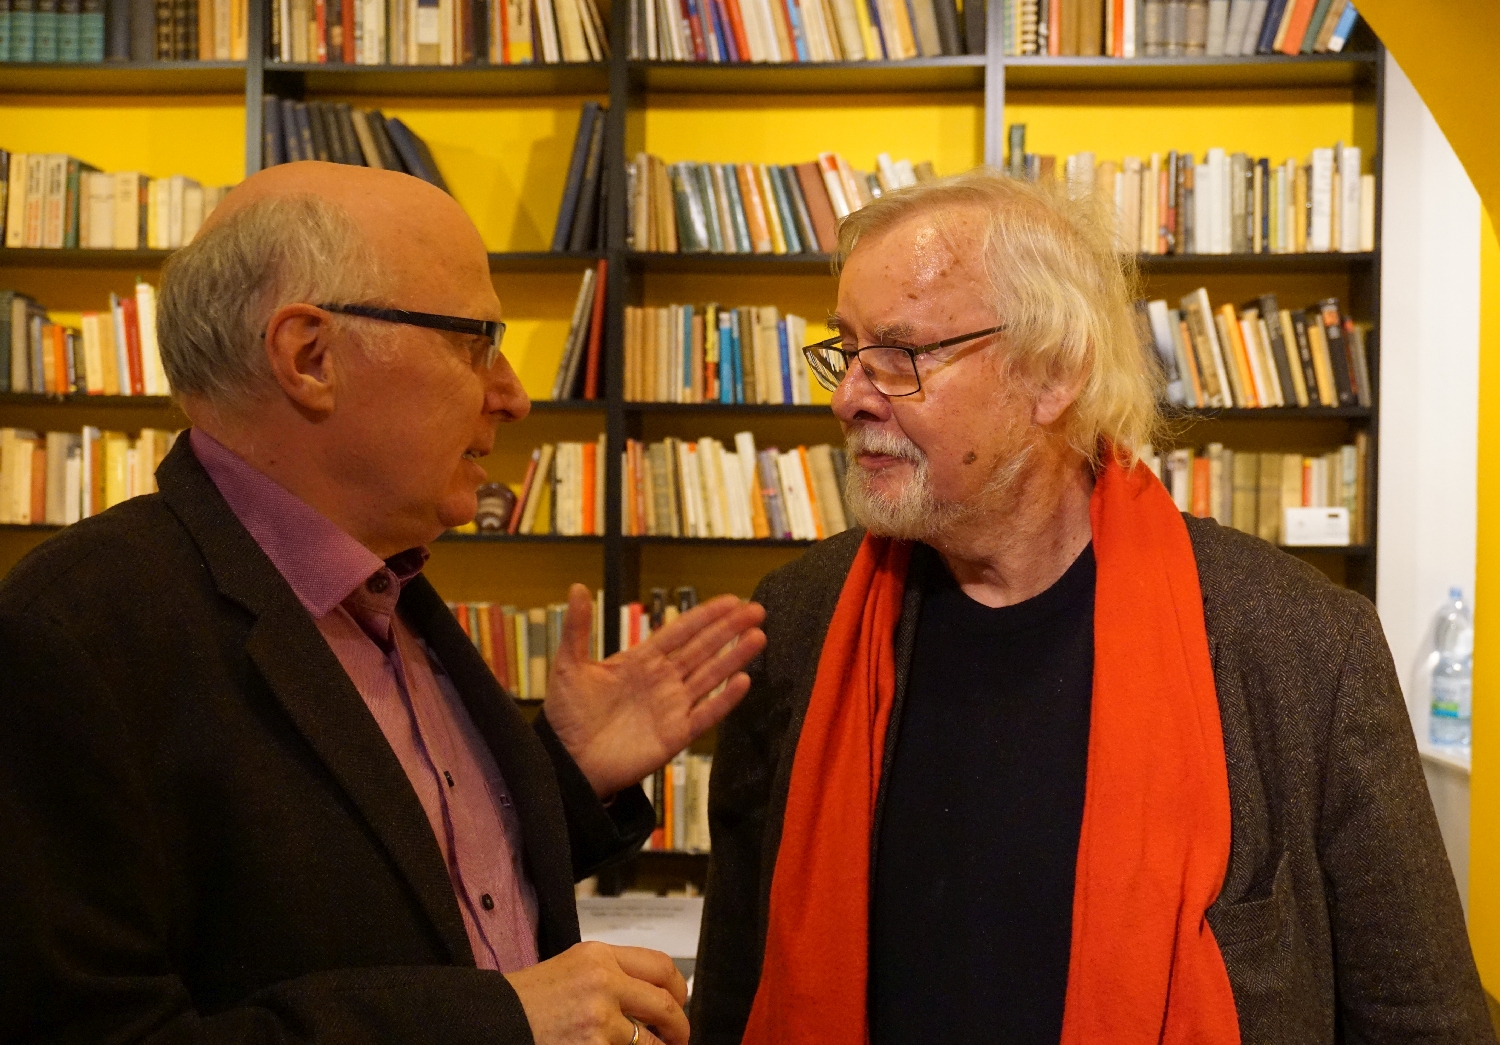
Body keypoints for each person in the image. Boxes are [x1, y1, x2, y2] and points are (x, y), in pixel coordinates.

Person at [690, 170, 1496, 1045]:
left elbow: (1423, 1020)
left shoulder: (1300, 649)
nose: (849, 395)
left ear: (1053, 374)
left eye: (900, 354)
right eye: (846, 351)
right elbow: (738, 992)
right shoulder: (800, 626)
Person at [0, 161, 766, 1045]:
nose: (514, 394)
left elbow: (374, 882)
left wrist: (555, 781)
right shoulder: (74, 635)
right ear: (310, 357)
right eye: (477, 339)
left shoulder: (389, 589)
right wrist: (496, 1023)